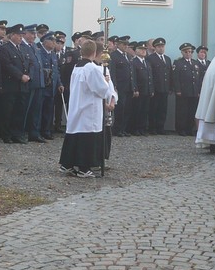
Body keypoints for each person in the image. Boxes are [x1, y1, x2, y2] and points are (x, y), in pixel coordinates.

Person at [59, 39, 116, 178]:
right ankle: (84, 167)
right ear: (95, 52)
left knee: (75, 135)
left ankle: (67, 164)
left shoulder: (77, 66)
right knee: (87, 137)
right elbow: (100, 89)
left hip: (78, 105)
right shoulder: (91, 68)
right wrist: (106, 82)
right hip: (89, 108)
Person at [0, 24, 30, 144]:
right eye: (18, 35)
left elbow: (28, 63)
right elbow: (7, 65)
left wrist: (27, 75)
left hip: (22, 85)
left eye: (22, 35)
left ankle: (16, 134)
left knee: (19, 111)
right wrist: (20, 75)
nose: (21, 37)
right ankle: (6, 135)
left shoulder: (22, 48)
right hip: (10, 85)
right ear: (12, 35)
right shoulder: (5, 48)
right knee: (8, 111)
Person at [173, 42, 202, 136]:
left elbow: (198, 79)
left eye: (190, 52)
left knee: (192, 111)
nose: (188, 53)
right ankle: (181, 129)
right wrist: (177, 90)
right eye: (186, 52)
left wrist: (198, 91)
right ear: (182, 53)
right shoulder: (178, 63)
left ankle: (190, 128)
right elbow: (175, 78)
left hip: (193, 92)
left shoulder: (195, 63)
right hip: (183, 92)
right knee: (182, 111)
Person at [109, 35, 134, 137]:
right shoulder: (114, 55)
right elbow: (112, 71)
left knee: (127, 109)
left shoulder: (128, 56)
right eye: (124, 44)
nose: (126, 46)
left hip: (128, 86)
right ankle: (117, 129)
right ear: (118, 44)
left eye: (127, 44)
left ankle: (123, 128)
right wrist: (114, 85)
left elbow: (131, 73)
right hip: (120, 86)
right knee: (120, 109)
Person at [147, 37, 171, 135]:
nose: (161, 48)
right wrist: (151, 88)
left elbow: (169, 75)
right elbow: (150, 75)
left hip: (164, 88)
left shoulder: (167, 59)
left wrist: (170, 87)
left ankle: (161, 127)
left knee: (163, 109)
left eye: (162, 46)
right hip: (156, 89)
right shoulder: (151, 58)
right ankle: (152, 128)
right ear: (155, 48)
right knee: (153, 109)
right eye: (159, 47)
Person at [130, 41, 153, 135]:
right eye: (141, 49)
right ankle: (136, 129)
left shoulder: (147, 63)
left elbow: (150, 77)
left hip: (147, 90)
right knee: (137, 110)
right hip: (139, 90)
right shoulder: (133, 62)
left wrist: (151, 89)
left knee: (145, 110)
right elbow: (133, 77)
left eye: (144, 49)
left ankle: (142, 128)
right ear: (136, 51)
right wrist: (135, 89)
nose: (143, 51)